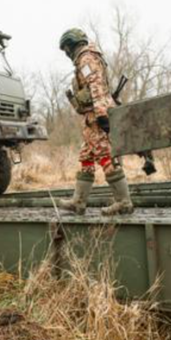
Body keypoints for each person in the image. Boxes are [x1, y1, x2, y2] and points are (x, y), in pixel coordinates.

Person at [56, 28, 134, 216]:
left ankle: (124, 202)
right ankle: (78, 202)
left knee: (105, 156)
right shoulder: (86, 58)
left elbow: (95, 85)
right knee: (86, 157)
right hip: (90, 118)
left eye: (66, 48)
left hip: (96, 116)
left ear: (72, 45)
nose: (66, 53)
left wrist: (101, 114)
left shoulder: (86, 58)